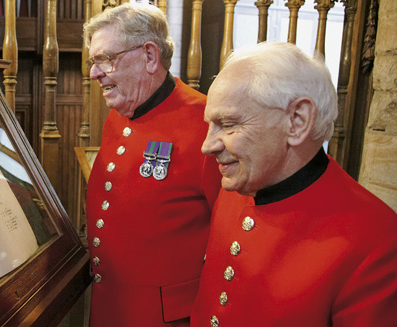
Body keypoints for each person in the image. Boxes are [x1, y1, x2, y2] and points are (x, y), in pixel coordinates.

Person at [191, 42, 397, 327]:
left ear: (297, 121)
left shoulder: (377, 242)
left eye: (228, 124)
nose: (207, 146)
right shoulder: (240, 183)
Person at [83, 3, 222, 326]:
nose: (94, 73)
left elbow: (230, 233)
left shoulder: (206, 122)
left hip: (166, 317)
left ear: (149, 56)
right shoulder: (117, 118)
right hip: (109, 307)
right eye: (94, 61)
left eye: (106, 59)